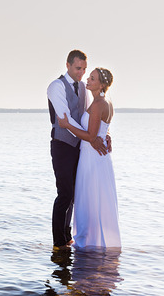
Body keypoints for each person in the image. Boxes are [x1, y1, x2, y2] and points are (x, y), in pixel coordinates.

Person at [47, 50, 109, 251]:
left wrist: (101, 134)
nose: (81, 73)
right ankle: (58, 242)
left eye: (84, 69)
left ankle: (67, 237)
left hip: (80, 147)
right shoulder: (55, 86)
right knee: (64, 193)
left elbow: (87, 116)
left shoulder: (83, 88)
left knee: (74, 194)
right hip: (62, 145)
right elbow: (65, 119)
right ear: (67, 65)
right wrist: (92, 137)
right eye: (77, 68)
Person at [58, 67, 121, 249]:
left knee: (89, 199)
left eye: (92, 78)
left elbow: (92, 137)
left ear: (101, 84)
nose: (88, 79)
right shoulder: (103, 102)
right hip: (96, 157)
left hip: (92, 158)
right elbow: (101, 130)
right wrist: (106, 136)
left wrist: (67, 124)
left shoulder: (99, 103)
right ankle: (95, 240)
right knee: (93, 199)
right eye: (89, 77)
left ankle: (89, 243)